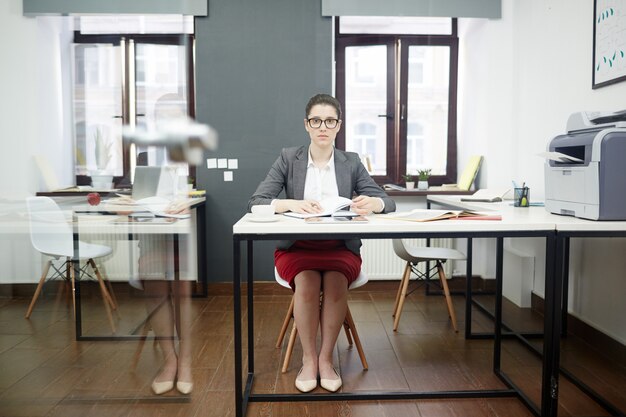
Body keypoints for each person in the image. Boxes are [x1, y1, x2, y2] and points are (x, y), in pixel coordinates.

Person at [248, 93, 396, 393]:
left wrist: (374, 204)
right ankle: (309, 360)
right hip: (298, 248)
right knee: (306, 282)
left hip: (340, 248)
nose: (323, 127)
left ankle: (327, 360)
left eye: (330, 121)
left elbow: (387, 200)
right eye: (316, 120)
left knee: (336, 282)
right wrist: (290, 204)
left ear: (338, 125)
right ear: (307, 125)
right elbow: (257, 202)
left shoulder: (351, 162)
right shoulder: (289, 158)